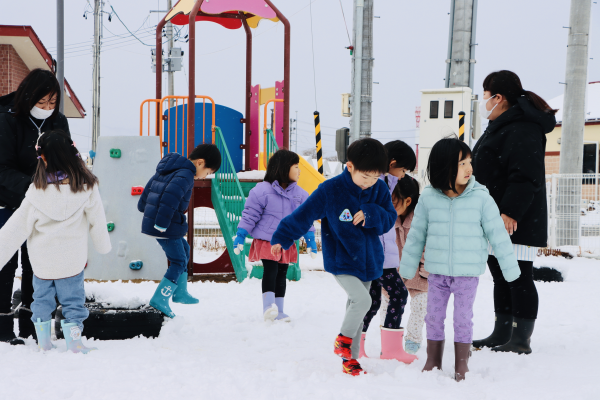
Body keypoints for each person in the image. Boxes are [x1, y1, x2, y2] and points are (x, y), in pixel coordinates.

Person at [271, 138, 397, 376]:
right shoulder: (331, 190)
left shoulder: (379, 189)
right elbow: (303, 215)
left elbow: (389, 219)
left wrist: (371, 213)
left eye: (375, 177)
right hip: (342, 259)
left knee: (356, 307)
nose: (370, 183)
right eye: (365, 177)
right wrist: (281, 238)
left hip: (369, 260)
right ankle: (344, 342)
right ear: (350, 167)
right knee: (363, 301)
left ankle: (351, 359)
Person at [400, 138, 520, 381]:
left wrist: (510, 270)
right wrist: (408, 267)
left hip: (467, 274)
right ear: (444, 167)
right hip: (436, 272)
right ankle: (433, 359)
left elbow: (498, 234)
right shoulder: (429, 198)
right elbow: (416, 235)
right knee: (433, 316)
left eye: (469, 162)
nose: (469, 168)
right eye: (461, 163)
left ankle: (461, 364)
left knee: (462, 318)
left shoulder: (481, 197)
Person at [0, 130, 110, 353]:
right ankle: (75, 343)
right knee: (73, 302)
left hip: (43, 262)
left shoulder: (36, 191)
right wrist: (102, 246)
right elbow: (98, 219)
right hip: (72, 260)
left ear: (44, 159)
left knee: (41, 301)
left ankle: (43, 343)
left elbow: (16, 227)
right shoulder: (86, 186)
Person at [471, 71, 557, 354]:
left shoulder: (522, 127)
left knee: (518, 276)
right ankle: (502, 331)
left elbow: (525, 176)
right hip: (495, 214)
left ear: (499, 98)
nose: (482, 101)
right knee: (500, 274)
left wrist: (509, 212)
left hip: (515, 218)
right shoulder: (500, 125)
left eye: (485, 95)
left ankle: (520, 339)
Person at [0, 68, 71, 345]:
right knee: (6, 263)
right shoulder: (7, 120)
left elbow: (66, 160)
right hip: (8, 203)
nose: (46, 109)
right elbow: (2, 168)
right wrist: (33, 186)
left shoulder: (58, 122)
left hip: (44, 207)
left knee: (37, 263)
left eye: (52, 103)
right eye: (41, 103)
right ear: (28, 97)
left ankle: (32, 325)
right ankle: (3, 327)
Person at [138, 144, 221, 318]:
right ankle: (160, 298)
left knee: (184, 250)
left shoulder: (170, 168)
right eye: (207, 172)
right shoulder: (186, 175)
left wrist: (143, 206)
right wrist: (161, 224)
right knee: (178, 261)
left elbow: (149, 188)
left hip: (158, 222)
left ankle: (180, 292)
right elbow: (170, 199)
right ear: (200, 163)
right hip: (165, 225)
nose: (205, 176)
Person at [233, 150, 315, 322]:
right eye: (296, 167)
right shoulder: (262, 190)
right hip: (267, 240)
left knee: (282, 273)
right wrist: (241, 234)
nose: (299, 171)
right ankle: (268, 307)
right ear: (283, 168)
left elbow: (305, 218)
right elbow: (250, 214)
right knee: (271, 270)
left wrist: (310, 238)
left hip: (285, 241)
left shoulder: (300, 194)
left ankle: (280, 310)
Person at [358, 141, 416, 363]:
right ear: (392, 163)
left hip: (379, 253)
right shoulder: (377, 183)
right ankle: (390, 350)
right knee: (399, 294)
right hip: (377, 254)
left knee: (372, 300)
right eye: (403, 170)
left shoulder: (386, 183)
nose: (403, 175)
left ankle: (358, 346)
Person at [392, 176, 426, 355]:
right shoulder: (390, 219)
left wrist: (425, 271)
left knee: (420, 306)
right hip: (394, 274)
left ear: (408, 200)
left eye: (394, 201)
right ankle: (389, 338)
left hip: (419, 276)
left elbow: (429, 248)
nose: (390, 205)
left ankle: (412, 340)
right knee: (387, 305)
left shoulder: (421, 221)